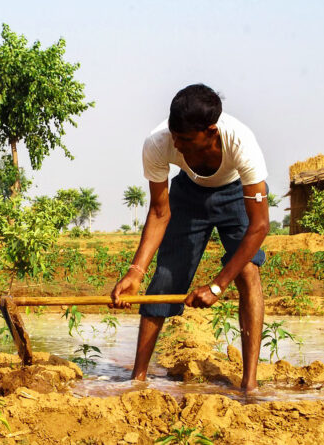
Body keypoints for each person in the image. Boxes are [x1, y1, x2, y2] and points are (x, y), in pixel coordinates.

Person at [110, 84, 269, 391]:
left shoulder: (242, 144)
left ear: (212, 132)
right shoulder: (158, 143)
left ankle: (249, 384)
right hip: (188, 195)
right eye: (175, 136)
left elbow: (259, 226)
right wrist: (135, 271)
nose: (177, 145)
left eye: (185, 140)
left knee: (248, 271)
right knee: (166, 278)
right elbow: (159, 211)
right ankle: (137, 379)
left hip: (235, 194)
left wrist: (216, 285)